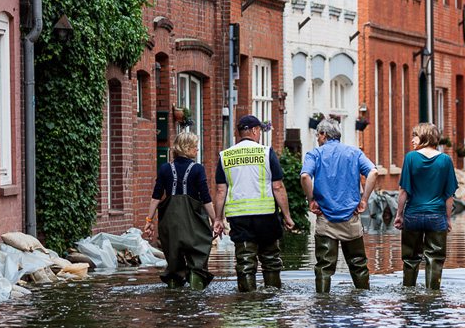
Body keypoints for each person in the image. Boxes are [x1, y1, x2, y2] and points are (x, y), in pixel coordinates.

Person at [213, 115, 295, 292]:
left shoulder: (225, 156)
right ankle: (272, 298)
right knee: (271, 259)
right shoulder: (266, 152)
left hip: (239, 217)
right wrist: (287, 215)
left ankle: (246, 299)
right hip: (266, 215)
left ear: (239, 133)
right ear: (255, 130)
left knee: (245, 260)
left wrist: (218, 219)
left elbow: (221, 190)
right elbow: (278, 186)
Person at [300, 119, 378, 293]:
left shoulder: (315, 154)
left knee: (324, 266)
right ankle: (363, 297)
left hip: (325, 218)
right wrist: (364, 199)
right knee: (358, 264)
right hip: (351, 218)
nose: (318, 139)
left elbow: (305, 176)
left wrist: (311, 199)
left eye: (318, 135)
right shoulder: (354, 153)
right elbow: (373, 172)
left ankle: (322, 301)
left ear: (323, 134)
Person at [144, 131, 216, 289]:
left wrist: (149, 221)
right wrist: (216, 220)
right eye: (195, 147)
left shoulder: (164, 169)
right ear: (187, 148)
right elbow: (205, 198)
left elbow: (156, 196)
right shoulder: (197, 169)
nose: (197, 150)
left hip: (170, 223)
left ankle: (173, 290)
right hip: (194, 222)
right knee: (198, 253)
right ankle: (195, 287)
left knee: (174, 260)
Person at [393, 123, 458, 290]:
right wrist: (448, 219)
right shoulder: (445, 160)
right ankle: (433, 293)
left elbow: (403, 191)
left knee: (410, 258)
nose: (412, 139)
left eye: (415, 135)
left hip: (413, 216)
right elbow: (449, 195)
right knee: (435, 258)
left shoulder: (411, 158)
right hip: (436, 217)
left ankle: (408, 291)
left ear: (424, 136)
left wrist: (399, 215)